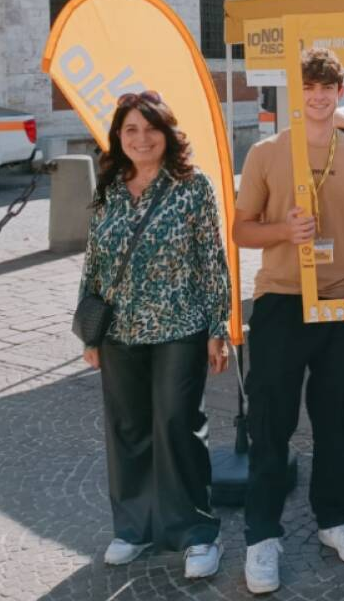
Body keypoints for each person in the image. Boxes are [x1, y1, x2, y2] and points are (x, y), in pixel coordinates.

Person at [234, 48, 344, 594]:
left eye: (327, 87)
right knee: (270, 423)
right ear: (294, 95)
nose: (318, 97)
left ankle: (334, 519)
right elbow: (241, 229)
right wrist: (282, 234)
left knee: (336, 419)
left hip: (341, 304)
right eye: (308, 88)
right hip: (281, 300)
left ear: (339, 92)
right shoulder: (267, 153)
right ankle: (262, 535)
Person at [78, 90, 229, 579]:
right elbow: (94, 261)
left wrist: (218, 326)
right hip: (119, 331)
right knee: (127, 428)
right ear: (118, 138)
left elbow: (212, 260)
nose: (141, 139)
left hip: (179, 328)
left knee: (176, 425)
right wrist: (90, 335)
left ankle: (198, 534)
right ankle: (134, 527)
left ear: (167, 133)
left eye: (150, 128)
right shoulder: (107, 187)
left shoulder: (192, 185)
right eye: (131, 130)